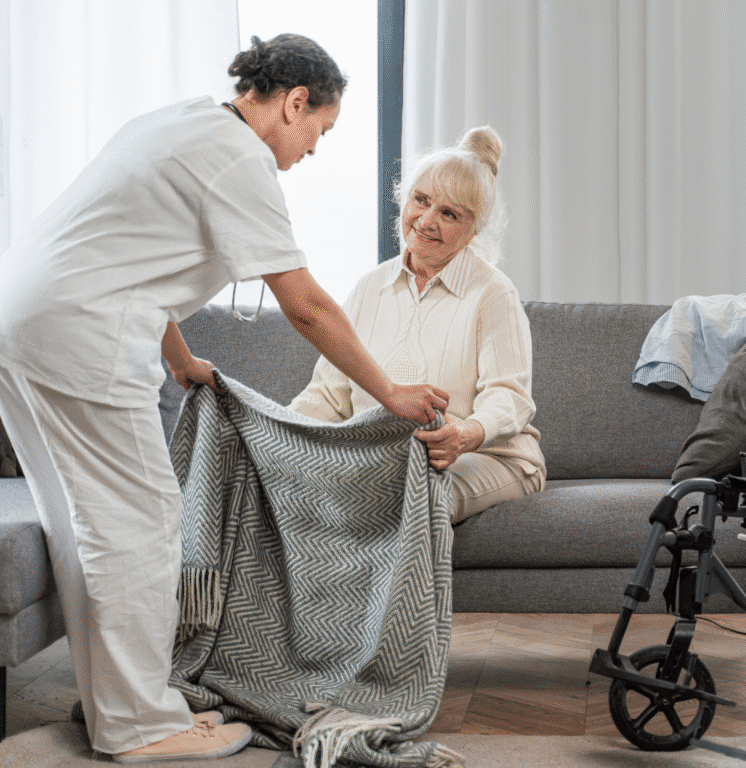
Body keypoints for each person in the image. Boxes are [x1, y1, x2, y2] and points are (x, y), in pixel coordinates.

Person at [0, 34, 447, 764]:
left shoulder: (179, 122)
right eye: (320, 130)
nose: (314, 150)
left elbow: (128, 250)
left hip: (22, 323)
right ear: (295, 102)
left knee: (83, 527)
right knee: (141, 525)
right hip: (80, 338)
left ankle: (119, 710)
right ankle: (143, 727)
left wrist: (180, 359)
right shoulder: (240, 160)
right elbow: (306, 305)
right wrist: (389, 391)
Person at [289, 127, 545, 524]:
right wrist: (282, 434)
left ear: (474, 229)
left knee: (409, 497)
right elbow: (329, 395)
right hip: (388, 458)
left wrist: (466, 434)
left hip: (489, 457)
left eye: (449, 214)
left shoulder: (494, 294)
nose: (425, 221)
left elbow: (509, 398)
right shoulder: (368, 288)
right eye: (420, 200)